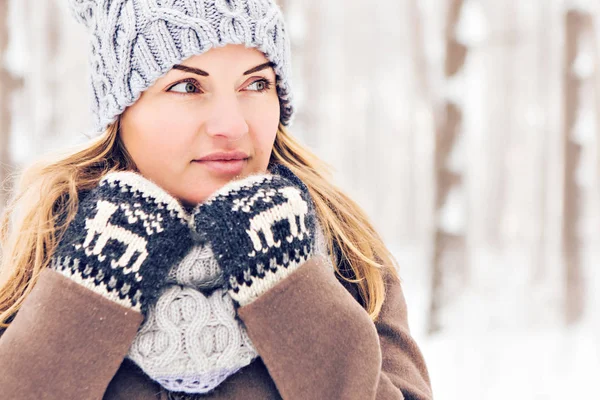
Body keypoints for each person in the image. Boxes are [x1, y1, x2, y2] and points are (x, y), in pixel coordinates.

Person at [0, 0, 433, 399]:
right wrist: (90, 286)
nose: (232, 125)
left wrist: (291, 284)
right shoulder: (33, 245)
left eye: (257, 83)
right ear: (120, 110)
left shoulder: (344, 247)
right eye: (188, 86)